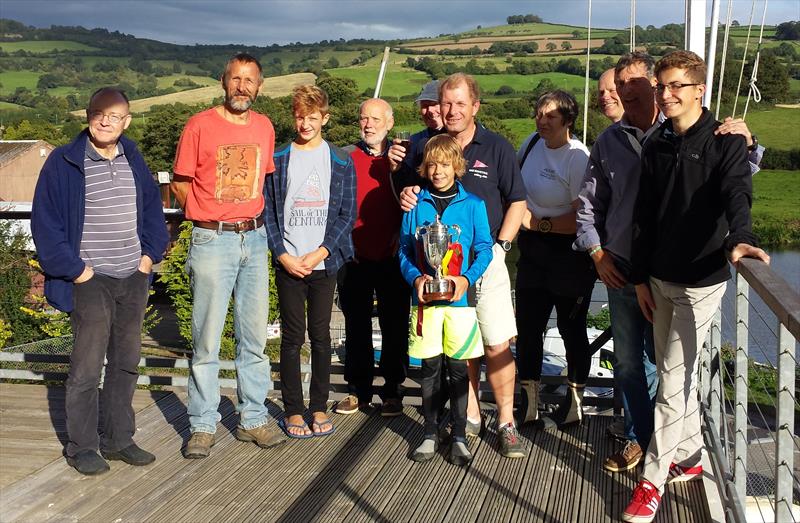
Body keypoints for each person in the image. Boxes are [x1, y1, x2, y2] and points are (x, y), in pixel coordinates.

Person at [577, 52, 765, 473]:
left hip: (678, 271)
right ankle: (638, 439)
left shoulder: (686, 126)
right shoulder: (609, 142)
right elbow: (590, 205)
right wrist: (596, 253)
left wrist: (749, 142)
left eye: (630, 83)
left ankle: (664, 460)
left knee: (669, 367)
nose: (622, 92)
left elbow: (734, 179)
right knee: (628, 362)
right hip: (625, 266)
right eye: (614, 86)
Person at [622, 50, 770, 523]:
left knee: (671, 382)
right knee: (673, 373)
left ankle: (651, 482)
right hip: (660, 279)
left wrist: (742, 238)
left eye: (676, 87)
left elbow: (736, 192)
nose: (666, 95)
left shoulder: (726, 141)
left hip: (702, 281)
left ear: (699, 91)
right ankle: (688, 456)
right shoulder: (657, 144)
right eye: (662, 86)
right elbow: (643, 218)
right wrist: (641, 278)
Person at [31, 87, 169, 475]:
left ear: (126, 121)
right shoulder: (64, 161)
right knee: (87, 367)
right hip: (89, 279)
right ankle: (82, 446)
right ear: (89, 116)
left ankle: (119, 439)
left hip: (133, 276)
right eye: (99, 113)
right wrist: (79, 272)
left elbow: (152, 210)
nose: (106, 121)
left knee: (125, 362)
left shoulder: (133, 156)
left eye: (115, 115)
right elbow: (46, 224)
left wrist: (148, 258)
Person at [389, 73, 527, 459]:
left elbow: (517, 200)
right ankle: (467, 417)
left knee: (497, 343)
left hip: (487, 260)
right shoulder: (424, 146)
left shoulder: (497, 147)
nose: (451, 111)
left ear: (475, 107)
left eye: (460, 104)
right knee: (458, 348)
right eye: (446, 103)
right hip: (439, 271)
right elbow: (410, 192)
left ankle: (505, 421)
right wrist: (405, 189)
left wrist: (500, 247)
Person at [171, 53, 283, 458]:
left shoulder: (265, 127)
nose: (241, 86)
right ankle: (202, 424)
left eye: (249, 80)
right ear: (223, 81)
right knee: (207, 339)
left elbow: (261, 183)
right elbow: (180, 182)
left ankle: (252, 418)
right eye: (235, 79)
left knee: (253, 338)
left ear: (259, 86)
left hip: (253, 241)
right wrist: (205, 216)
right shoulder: (199, 125)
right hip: (212, 240)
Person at [264, 85, 356, 438]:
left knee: (320, 337)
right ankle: (293, 410)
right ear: (294, 116)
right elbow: (268, 212)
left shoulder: (340, 161)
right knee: (291, 338)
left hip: (323, 263)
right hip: (288, 262)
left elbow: (348, 215)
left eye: (313, 118)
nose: (305, 124)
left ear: (325, 119)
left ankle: (318, 406)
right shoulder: (279, 158)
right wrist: (283, 255)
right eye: (300, 117)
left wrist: (321, 252)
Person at [398, 134, 493, 466]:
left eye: (444, 163)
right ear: (425, 167)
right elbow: (403, 252)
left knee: (457, 369)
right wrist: (416, 277)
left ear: (457, 165)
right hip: (424, 302)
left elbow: (484, 249)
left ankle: (459, 436)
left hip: (459, 303)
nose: (438, 171)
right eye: (432, 164)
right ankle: (428, 431)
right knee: (429, 369)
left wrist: (466, 279)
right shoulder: (415, 205)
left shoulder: (474, 206)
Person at [515, 90, 595, 429]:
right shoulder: (531, 143)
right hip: (533, 251)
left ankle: (574, 405)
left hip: (569, 253)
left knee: (571, 329)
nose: (542, 120)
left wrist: (538, 223)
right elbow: (516, 188)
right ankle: (529, 404)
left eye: (550, 116)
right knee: (528, 329)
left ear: (568, 121)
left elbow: (584, 215)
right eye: (539, 113)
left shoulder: (577, 157)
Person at [334, 98, 409, 417]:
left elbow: (415, 200)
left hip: (393, 255)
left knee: (395, 325)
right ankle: (358, 391)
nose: (369, 124)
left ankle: (392, 391)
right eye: (364, 118)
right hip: (354, 255)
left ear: (390, 123)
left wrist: (402, 236)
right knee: (356, 325)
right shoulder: (345, 157)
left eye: (376, 119)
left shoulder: (403, 157)